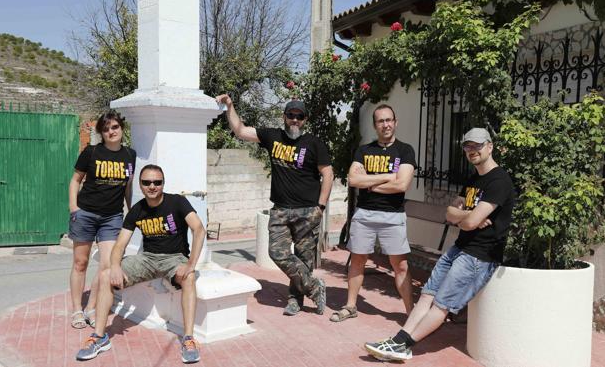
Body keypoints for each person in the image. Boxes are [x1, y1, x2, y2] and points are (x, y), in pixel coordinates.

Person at [364, 127, 515, 361]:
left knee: (442, 305)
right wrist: (467, 216)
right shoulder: (474, 179)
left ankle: (405, 346)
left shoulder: (499, 181)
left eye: (477, 145)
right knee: (427, 294)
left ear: (490, 147)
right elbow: (451, 213)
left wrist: (465, 216)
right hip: (459, 249)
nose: (472, 150)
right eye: (467, 146)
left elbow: (465, 220)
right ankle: (398, 341)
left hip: (478, 256)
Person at [75, 164, 206, 364]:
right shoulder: (137, 210)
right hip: (148, 258)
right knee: (105, 275)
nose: (152, 186)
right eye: (147, 182)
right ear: (140, 185)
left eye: (157, 182)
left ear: (163, 184)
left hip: (174, 258)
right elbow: (119, 245)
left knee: (188, 278)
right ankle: (100, 336)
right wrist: (116, 266)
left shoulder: (178, 202)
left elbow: (199, 229)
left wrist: (190, 264)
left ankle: (188, 339)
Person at [216, 94, 333, 316]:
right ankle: (314, 286)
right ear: (284, 117)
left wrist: (321, 207)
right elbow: (240, 130)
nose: (295, 120)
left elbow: (327, 174)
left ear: (305, 120)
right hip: (280, 209)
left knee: (304, 257)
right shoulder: (273, 136)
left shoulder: (314, 143)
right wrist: (229, 106)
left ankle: (295, 300)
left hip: (308, 210)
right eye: (291, 115)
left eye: (299, 116)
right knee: (277, 252)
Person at [330, 104, 415, 322]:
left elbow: (402, 185)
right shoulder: (364, 150)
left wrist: (370, 183)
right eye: (380, 121)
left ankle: (410, 313)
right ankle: (350, 306)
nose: (385, 124)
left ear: (395, 122)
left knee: (401, 265)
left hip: (393, 216)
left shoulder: (405, 150)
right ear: (375, 125)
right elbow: (353, 180)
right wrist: (388, 176)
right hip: (364, 215)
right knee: (358, 260)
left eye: (389, 120)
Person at [68, 110, 136, 329]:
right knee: (81, 263)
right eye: (106, 129)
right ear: (101, 132)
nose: (111, 132)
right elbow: (75, 180)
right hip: (85, 213)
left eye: (115, 127)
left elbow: (128, 187)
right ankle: (77, 309)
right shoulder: (91, 151)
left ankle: (92, 307)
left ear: (121, 129)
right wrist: (74, 209)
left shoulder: (130, 155)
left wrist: (131, 212)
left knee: (107, 264)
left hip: (112, 217)